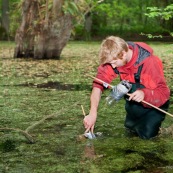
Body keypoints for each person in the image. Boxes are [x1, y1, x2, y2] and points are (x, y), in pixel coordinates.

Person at [83, 36, 170, 139]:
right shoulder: (114, 56)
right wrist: (93, 113)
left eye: (114, 63)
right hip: (134, 104)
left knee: (147, 137)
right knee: (130, 132)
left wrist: (144, 94)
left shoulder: (149, 62)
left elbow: (163, 93)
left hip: (154, 104)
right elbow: (98, 86)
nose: (113, 67)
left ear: (123, 54)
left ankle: (164, 132)